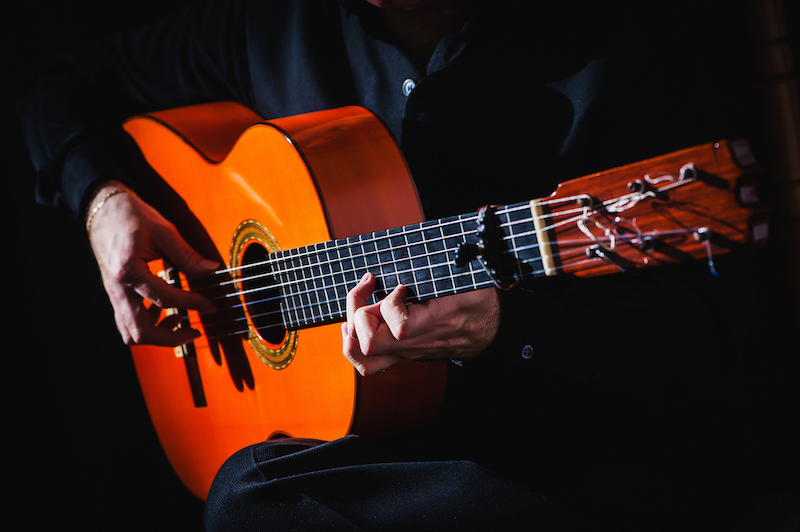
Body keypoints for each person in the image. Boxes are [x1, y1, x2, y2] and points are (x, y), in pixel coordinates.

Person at [16, 0, 794, 529]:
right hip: (385, 448)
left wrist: (503, 327)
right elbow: (53, 87)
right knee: (251, 498)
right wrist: (102, 200)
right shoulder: (269, 27)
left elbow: (723, 330)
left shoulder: (624, 39)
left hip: (574, 442)